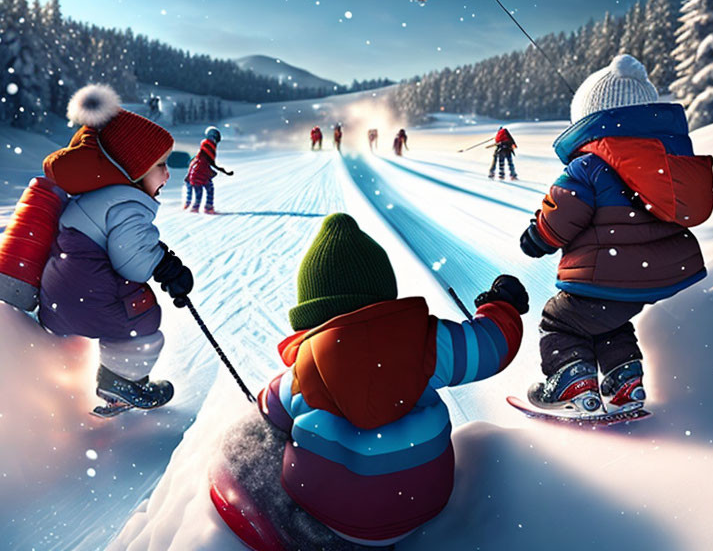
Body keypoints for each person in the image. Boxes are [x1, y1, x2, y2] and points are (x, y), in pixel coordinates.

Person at [220, 213, 528, 547]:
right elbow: (493, 346)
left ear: (312, 311)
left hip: (332, 514)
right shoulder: (427, 341)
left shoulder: (301, 370)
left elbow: (268, 413)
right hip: (422, 504)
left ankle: (304, 534)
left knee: (255, 437)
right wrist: (502, 305)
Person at [519, 55, 713, 416]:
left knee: (561, 319)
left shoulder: (590, 163)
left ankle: (571, 382)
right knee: (609, 320)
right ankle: (625, 381)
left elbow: (562, 211)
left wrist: (538, 236)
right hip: (661, 276)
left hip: (606, 274)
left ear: (591, 119)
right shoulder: (664, 163)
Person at [38, 84, 195, 412]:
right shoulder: (128, 203)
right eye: (160, 165)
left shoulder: (101, 196)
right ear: (134, 171)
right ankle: (122, 384)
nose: (169, 174)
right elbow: (133, 264)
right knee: (142, 313)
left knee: (126, 306)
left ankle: (117, 381)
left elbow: (122, 244)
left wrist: (159, 256)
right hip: (84, 300)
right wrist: (163, 265)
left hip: (60, 297)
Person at [184, 126, 234, 214]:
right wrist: (224, 171)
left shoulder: (202, 149)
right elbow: (212, 163)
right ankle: (208, 207)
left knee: (198, 190)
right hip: (202, 174)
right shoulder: (209, 148)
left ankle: (194, 207)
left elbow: (195, 161)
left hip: (195, 174)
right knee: (209, 189)